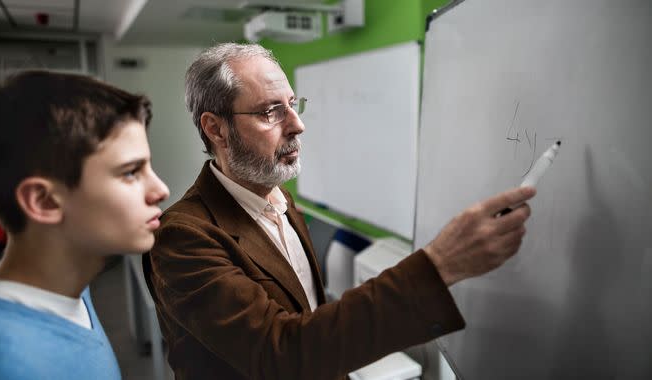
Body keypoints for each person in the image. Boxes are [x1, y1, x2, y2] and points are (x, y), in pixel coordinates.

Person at [144, 42, 535, 380]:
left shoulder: (279, 200)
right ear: (215, 129)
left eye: (294, 106)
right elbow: (280, 353)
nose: (297, 125)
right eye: (270, 112)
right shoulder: (182, 238)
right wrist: (438, 266)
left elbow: (307, 315)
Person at [0, 71, 170, 379]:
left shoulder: (68, 286)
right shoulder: (2, 363)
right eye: (131, 172)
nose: (161, 190)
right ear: (45, 202)